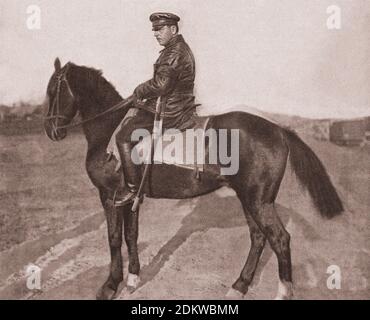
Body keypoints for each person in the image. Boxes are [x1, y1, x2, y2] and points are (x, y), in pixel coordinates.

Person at [114, 12, 198, 207]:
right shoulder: (174, 49)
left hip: (171, 111)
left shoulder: (175, 52)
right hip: (173, 104)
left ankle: (132, 188)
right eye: (154, 30)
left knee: (123, 136)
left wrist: (139, 90)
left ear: (173, 29)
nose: (156, 34)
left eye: (160, 29)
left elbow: (161, 85)